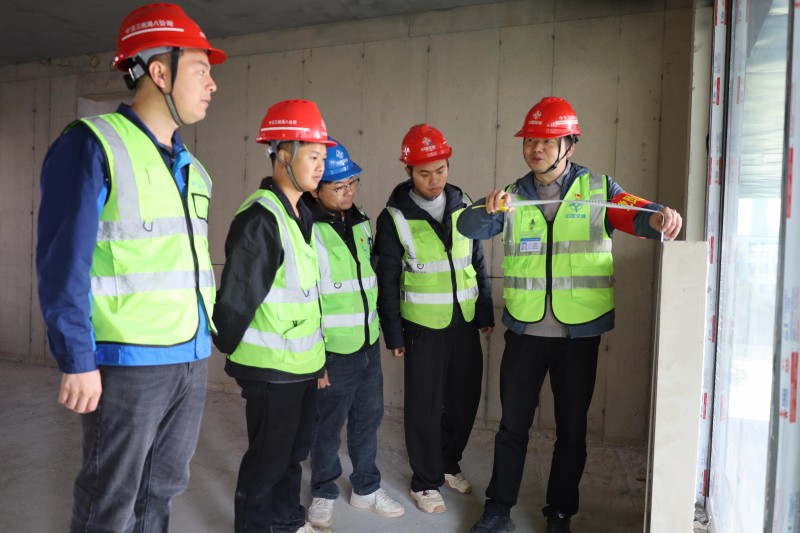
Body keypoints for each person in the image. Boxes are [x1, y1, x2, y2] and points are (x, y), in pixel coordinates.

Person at [35, 3, 224, 531]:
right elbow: (62, 262)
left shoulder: (193, 169)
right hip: (128, 361)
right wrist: (77, 358)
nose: (212, 84)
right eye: (201, 70)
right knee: (111, 500)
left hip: (189, 355)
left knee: (162, 489)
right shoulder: (92, 144)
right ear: (159, 72)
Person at [458, 97, 683, 533]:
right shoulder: (511, 196)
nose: (536, 149)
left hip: (578, 337)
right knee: (512, 427)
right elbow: (469, 227)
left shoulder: (598, 189)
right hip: (524, 333)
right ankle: (498, 510)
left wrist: (660, 217)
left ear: (569, 145)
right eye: (530, 141)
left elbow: (639, 215)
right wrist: (486, 207)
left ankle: (559, 512)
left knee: (572, 430)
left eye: (547, 141)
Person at [212, 99, 335, 533]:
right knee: (267, 462)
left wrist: (317, 362)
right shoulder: (261, 217)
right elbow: (236, 300)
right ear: (284, 154)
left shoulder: (301, 213)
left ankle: (287, 522)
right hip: (270, 368)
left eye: (322, 157)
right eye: (312, 156)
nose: (320, 166)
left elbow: (304, 296)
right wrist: (230, 348)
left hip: (301, 364)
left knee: (292, 455)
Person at [374, 123, 495, 514]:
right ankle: (424, 481)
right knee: (424, 406)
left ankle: (447, 463)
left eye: (440, 170)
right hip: (422, 326)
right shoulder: (394, 217)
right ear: (408, 171)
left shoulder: (465, 204)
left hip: (464, 320)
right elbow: (387, 280)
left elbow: (477, 260)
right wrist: (394, 334)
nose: (434, 180)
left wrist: (484, 311)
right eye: (424, 173)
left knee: (464, 399)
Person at [304, 139, 406, 529]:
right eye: (339, 186)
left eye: (352, 183)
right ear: (316, 188)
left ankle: (366, 487)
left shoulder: (360, 221)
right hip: (331, 350)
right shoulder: (306, 229)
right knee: (327, 425)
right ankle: (323, 490)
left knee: (368, 418)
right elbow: (305, 297)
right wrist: (315, 357)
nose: (348, 192)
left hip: (366, 343)